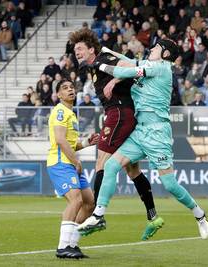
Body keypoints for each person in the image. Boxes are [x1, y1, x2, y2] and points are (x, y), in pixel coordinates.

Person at [78, 39, 208, 239]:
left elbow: (124, 71)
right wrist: (108, 51)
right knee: (112, 166)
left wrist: (99, 63)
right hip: (140, 131)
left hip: (158, 133)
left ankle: (199, 215)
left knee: (170, 185)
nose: (152, 49)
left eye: (156, 48)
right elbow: (127, 61)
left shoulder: (161, 68)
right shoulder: (149, 65)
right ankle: (98, 215)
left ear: (165, 54)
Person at [71, 29, 163, 240]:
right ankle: (153, 216)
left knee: (101, 163)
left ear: (91, 49)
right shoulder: (94, 68)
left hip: (119, 113)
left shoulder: (104, 59)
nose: (76, 52)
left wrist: (114, 81)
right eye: (75, 49)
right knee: (132, 169)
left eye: (80, 48)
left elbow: (130, 68)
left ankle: (97, 215)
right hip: (123, 114)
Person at [47, 79, 99, 259]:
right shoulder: (60, 111)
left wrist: (86, 142)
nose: (70, 90)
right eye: (65, 88)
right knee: (76, 200)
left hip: (69, 162)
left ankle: (72, 244)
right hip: (60, 163)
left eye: (71, 87)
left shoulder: (71, 113)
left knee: (89, 202)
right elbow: (60, 141)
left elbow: (70, 143)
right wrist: (76, 161)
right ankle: (62, 247)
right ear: (59, 95)